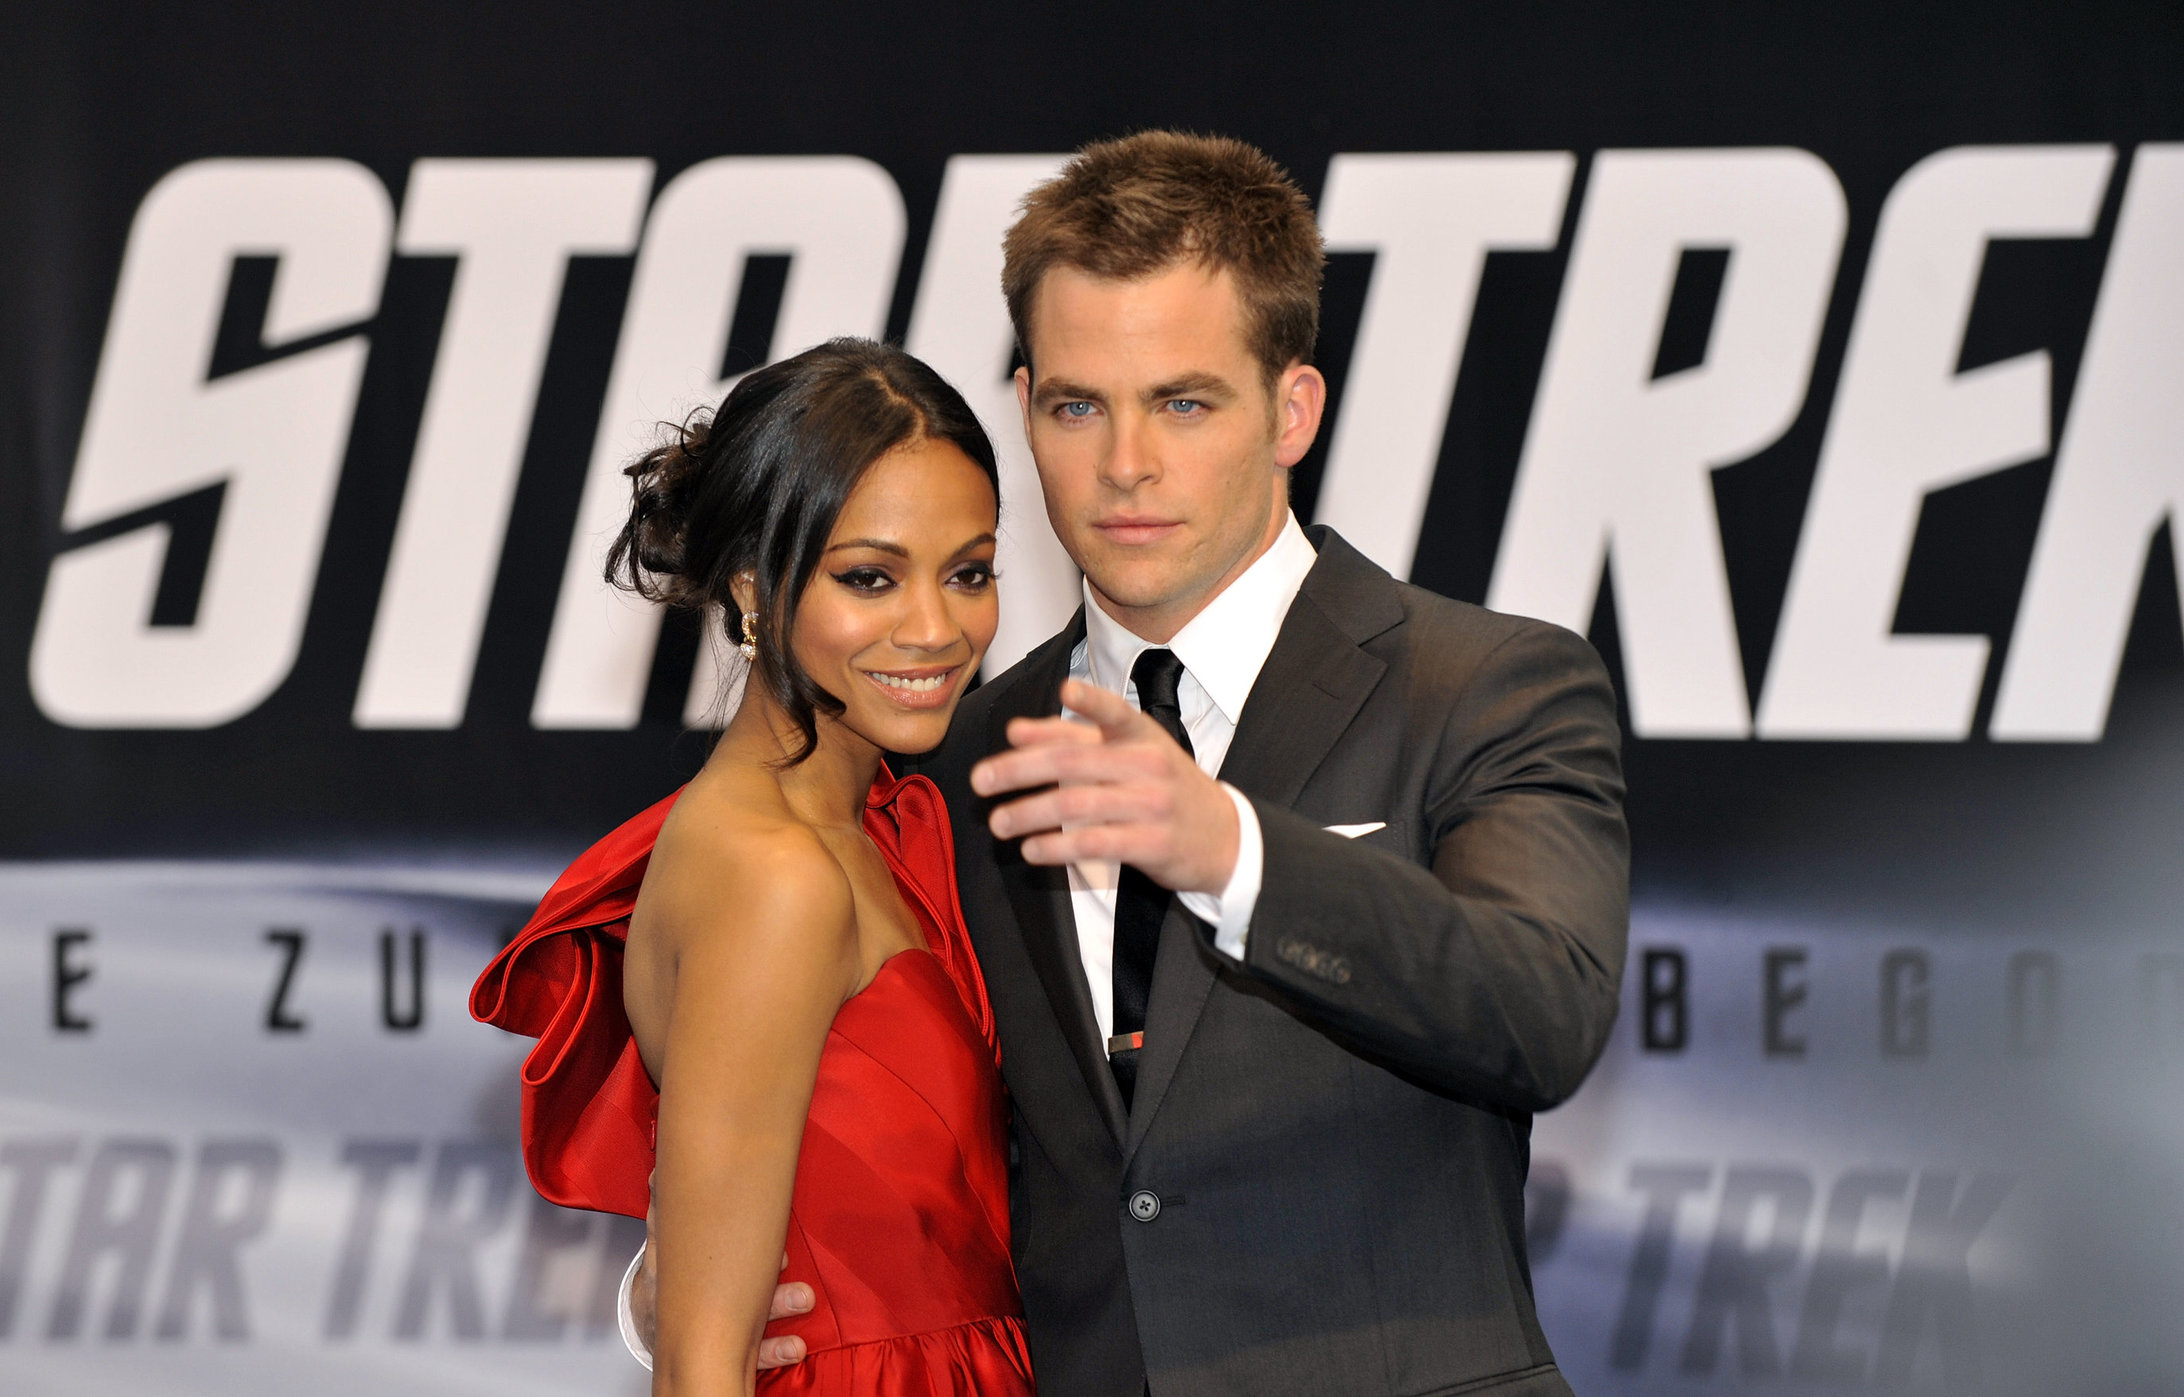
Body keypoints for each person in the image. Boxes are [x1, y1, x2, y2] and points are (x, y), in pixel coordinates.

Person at [635, 131, 1629, 1397]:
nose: (1125, 465)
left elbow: (1542, 1012)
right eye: (1076, 405)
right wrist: (688, 1290)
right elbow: (895, 1131)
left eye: (1184, 401)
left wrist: (1229, 851)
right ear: (1026, 403)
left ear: (1294, 410)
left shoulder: (1485, 685)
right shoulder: (954, 757)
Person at [472, 338, 1036, 1395]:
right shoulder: (773, 875)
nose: (936, 628)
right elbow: (702, 1363)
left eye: (969, 571)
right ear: (752, 585)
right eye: (869, 576)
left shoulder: (874, 823)